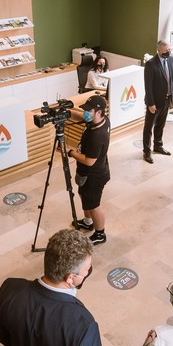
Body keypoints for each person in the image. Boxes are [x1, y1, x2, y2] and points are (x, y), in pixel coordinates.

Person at [67, 95, 110, 245]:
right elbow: (82, 117)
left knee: (94, 205)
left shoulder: (97, 135)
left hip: (94, 175)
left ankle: (100, 233)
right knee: (85, 197)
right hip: (90, 172)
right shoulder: (102, 120)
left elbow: (89, 161)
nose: (85, 113)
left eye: (88, 111)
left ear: (98, 112)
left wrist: (70, 152)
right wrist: (68, 113)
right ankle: (88, 222)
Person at [142, 40, 173, 164]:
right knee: (149, 127)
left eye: (169, 50)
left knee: (161, 125)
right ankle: (147, 151)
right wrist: (151, 103)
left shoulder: (171, 60)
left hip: (167, 99)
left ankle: (158, 145)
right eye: (165, 51)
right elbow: (148, 86)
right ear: (158, 50)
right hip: (155, 102)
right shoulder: (151, 64)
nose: (168, 52)